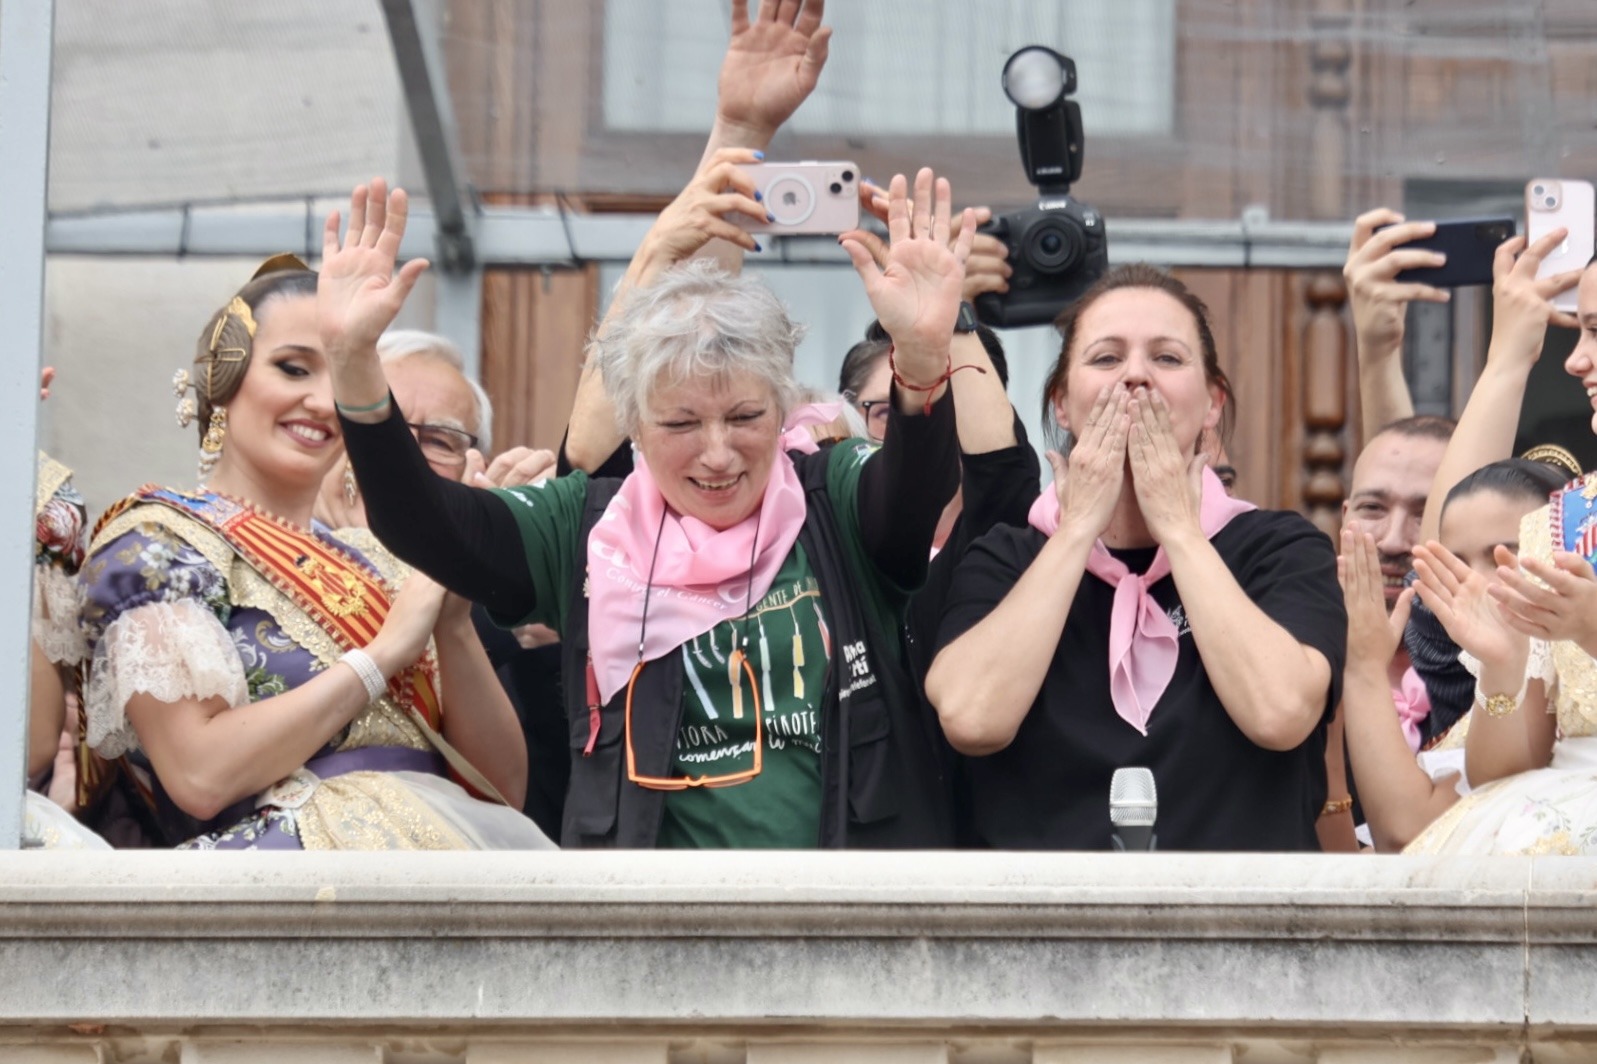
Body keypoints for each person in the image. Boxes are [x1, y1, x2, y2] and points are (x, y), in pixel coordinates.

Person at [329, 168, 968, 849]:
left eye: (745, 416)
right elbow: (424, 524)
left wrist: (924, 356)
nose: (718, 453)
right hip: (650, 929)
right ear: (633, 427)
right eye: (681, 425)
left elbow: (914, 494)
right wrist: (353, 364)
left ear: (783, 408)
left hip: (849, 918)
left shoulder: (831, 492)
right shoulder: (586, 524)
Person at [78, 260, 549, 850]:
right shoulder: (157, 544)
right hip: (288, 883)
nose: (324, 402)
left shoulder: (380, 561)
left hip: (441, 862)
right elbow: (200, 775)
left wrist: (452, 625)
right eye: (293, 368)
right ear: (224, 380)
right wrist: (380, 658)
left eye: (343, 379)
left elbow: (502, 792)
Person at [927, 263, 1347, 851]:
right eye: (1105, 359)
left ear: (1212, 405)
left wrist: (1179, 528)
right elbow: (972, 718)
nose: (1135, 377)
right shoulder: (1008, 557)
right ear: (1063, 404)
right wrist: (1076, 532)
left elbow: (1280, 713)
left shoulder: (1280, 548)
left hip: (1241, 928)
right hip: (1037, 930)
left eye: (1168, 359)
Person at [1398, 257, 1597, 855]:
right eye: (1582, 330)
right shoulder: (1560, 522)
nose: (1576, 359)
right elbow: (1501, 774)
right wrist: (1504, 665)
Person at [1341, 457, 1568, 852]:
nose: (1473, 582)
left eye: (1502, 557)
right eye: (1455, 563)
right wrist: (1364, 665)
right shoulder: (1492, 665)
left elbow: (1407, 832)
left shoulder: (1562, 650)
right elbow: (1406, 832)